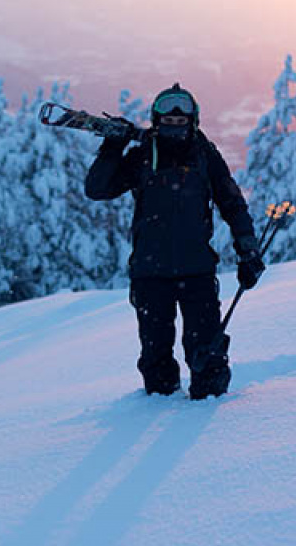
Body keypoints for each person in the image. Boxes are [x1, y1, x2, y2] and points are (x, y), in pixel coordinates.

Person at [85, 83, 265, 399]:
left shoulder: (205, 155)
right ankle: (158, 410)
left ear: (193, 119)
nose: (175, 119)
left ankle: (212, 423)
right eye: (168, 113)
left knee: (207, 359)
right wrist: (113, 147)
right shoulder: (143, 156)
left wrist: (248, 249)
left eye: (182, 114)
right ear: (157, 118)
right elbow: (98, 188)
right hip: (150, 276)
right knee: (156, 364)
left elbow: (232, 203)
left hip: (196, 272)